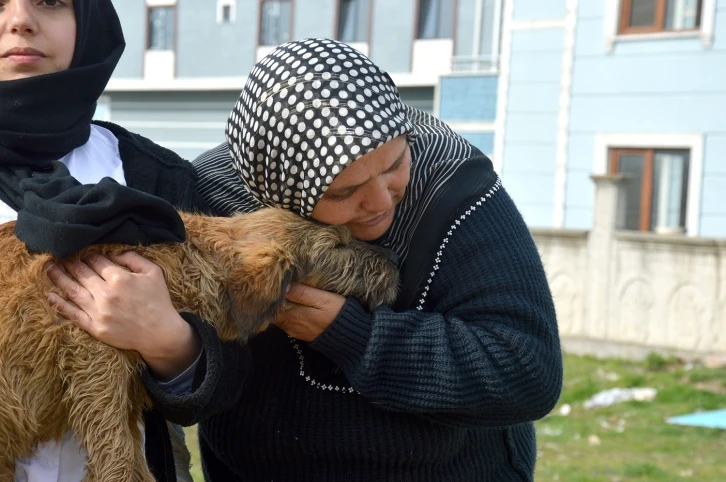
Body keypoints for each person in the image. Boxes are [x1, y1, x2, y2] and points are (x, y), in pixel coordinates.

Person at [161, 38, 563, 481]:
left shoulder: (454, 187)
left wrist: (352, 335)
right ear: (275, 193)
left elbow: (527, 372)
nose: (380, 201)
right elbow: (192, 363)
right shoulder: (215, 200)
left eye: (394, 164)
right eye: (342, 192)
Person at [0, 0, 205, 480]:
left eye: (50, 1)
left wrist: (169, 342)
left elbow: (229, 381)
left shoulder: (156, 177)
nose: (19, 20)